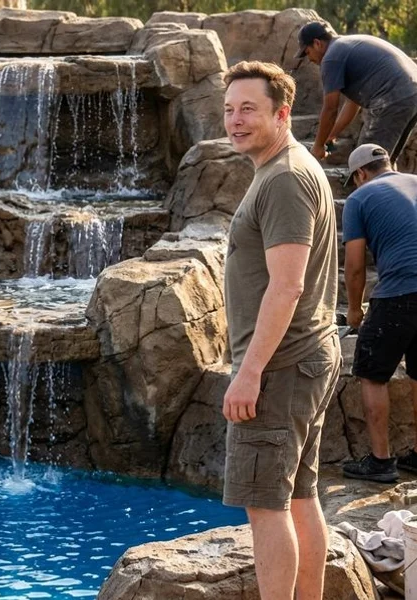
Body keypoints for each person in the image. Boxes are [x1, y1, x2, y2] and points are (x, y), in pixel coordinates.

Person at [222, 61, 341, 600]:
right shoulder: (285, 168)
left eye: (249, 108)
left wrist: (249, 373)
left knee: (266, 506)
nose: (236, 120)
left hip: (280, 366)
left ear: (282, 113)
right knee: (298, 496)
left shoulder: (287, 178)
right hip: (304, 357)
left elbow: (286, 286)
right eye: (229, 109)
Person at [341, 143, 417, 483]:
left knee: (372, 373)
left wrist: (355, 311)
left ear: (359, 174)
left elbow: (355, 266)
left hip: (398, 293)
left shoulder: (359, 198)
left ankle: (381, 461)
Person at [296, 20, 417, 165]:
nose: (309, 59)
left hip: (392, 98)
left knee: (366, 161)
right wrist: (331, 134)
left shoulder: (331, 58)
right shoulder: (346, 46)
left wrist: (318, 146)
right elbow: (352, 104)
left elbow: (330, 109)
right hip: (411, 93)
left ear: (317, 43)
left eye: (307, 52)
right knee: (384, 160)